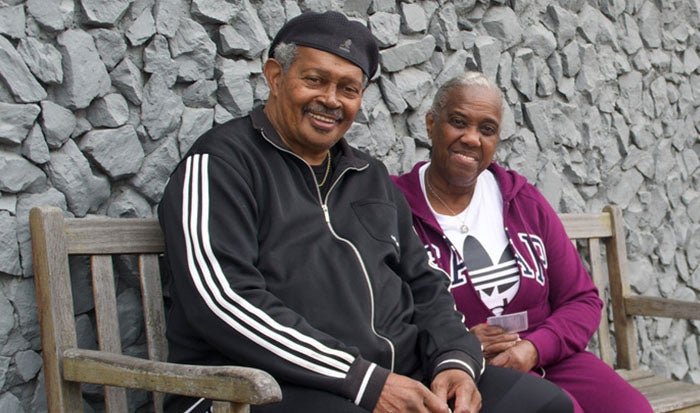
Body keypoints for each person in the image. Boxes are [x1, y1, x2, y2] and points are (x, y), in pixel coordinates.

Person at [158, 11, 574, 413]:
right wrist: (364, 382)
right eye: (315, 80)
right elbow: (223, 301)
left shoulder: (368, 176)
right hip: (262, 388)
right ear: (275, 76)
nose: (330, 100)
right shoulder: (222, 164)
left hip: (392, 378)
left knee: (542, 403)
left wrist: (454, 361)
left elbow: (427, 286)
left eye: (348, 89)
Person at [391, 71, 654, 413]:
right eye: (458, 122)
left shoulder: (522, 200)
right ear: (430, 124)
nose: (471, 138)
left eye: (486, 129)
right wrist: (459, 346)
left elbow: (582, 299)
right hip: (462, 372)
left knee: (632, 410)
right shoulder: (395, 207)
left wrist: (534, 348)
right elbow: (382, 319)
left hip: (546, 355)